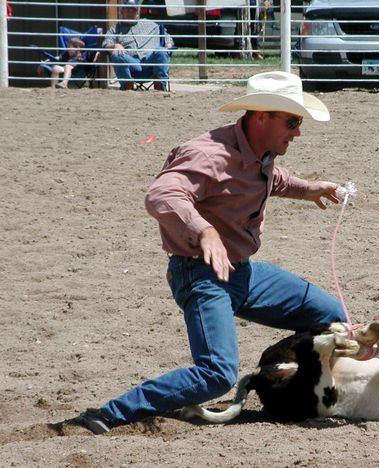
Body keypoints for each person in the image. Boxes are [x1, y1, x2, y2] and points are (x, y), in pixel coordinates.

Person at [74, 71, 347, 434]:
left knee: (332, 317)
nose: (298, 131)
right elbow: (161, 195)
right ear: (262, 116)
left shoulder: (259, 151)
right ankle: (110, 413)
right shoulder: (207, 154)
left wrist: (308, 188)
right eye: (293, 121)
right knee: (217, 374)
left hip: (243, 273)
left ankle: (281, 375)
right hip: (201, 273)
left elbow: (271, 178)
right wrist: (203, 230)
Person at [102, 0, 174, 91]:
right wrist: (115, 45)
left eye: (133, 10)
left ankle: (160, 85)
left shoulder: (149, 24)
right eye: (127, 10)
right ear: (121, 12)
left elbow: (166, 36)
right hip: (132, 65)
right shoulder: (115, 29)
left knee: (162, 51)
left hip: (150, 64)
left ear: (137, 12)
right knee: (117, 54)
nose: (130, 13)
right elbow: (105, 44)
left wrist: (168, 44)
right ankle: (127, 86)